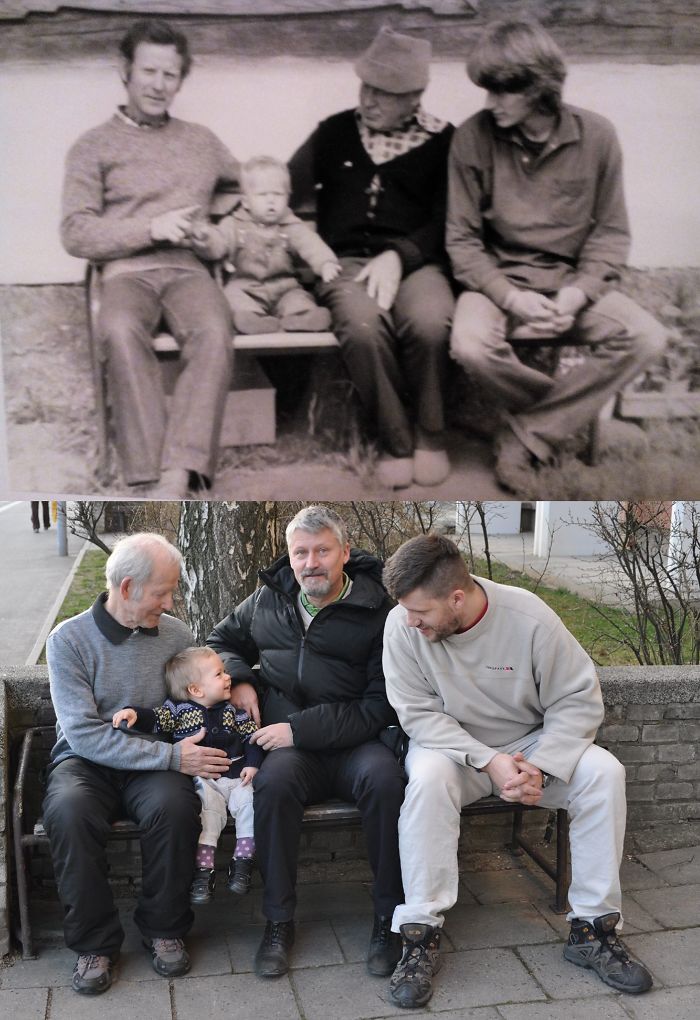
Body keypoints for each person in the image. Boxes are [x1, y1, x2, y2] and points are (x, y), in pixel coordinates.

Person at [380, 533, 653, 1008]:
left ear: (457, 598)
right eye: (406, 611)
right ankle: (419, 933)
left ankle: (593, 929)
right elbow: (417, 714)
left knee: (604, 774)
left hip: (530, 746)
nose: (411, 621)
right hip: (451, 747)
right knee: (425, 782)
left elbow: (576, 697)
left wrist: (542, 768)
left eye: (421, 613)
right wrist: (487, 759)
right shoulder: (401, 628)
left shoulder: (529, 617)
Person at [446, 19, 667, 493]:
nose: (490, 103)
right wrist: (510, 297)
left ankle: (523, 434)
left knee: (646, 336)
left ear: (539, 87)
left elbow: (610, 234)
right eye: (488, 91)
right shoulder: (471, 138)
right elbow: (461, 241)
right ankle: (564, 419)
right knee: (468, 343)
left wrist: (576, 295)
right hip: (496, 284)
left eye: (503, 91)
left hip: (568, 285)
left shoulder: (598, 137)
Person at [207, 504, 406, 979]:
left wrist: (298, 728)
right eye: (301, 552)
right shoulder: (267, 600)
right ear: (290, 557)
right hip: (291, 753)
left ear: (344, 553)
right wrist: (241, 679)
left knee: (386, 781)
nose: (311, 562)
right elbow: (220, 639)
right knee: (270, 788)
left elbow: (380, 704)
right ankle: (278, 921)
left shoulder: (380, 610)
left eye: (322, 551)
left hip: (357, 743)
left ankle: (389, 918)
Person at [43, 533, 232, 996]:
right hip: (86, 761)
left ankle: (164, 927)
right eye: (162, 592)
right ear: (126, 588)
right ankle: (95, 944)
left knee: (175, 808)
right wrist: (171, 756)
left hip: (152, 761)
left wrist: (240, 682)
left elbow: (203, 682)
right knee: (68, 812)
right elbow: (85, 733)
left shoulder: (175, 634)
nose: (170, 602)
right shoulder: (67, 641)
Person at [60, 19, 240, 498]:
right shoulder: (92, 146)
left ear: (182, 79)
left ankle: (179, 474)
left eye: (171, 75)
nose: (160, 85)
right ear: (126, 71)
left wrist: (217, 235)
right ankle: (148, 478)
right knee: (119, 328)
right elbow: (75, 232)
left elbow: (248, 191)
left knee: (215, 329)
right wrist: (149, 228)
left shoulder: (202, 140)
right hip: (125, 272)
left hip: (187, 268)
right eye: (150, 71)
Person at [289, 27, 455, 489]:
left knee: (429, 320)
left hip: (418, 262)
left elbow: (451, 221)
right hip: (344, 263)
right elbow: (284, 188)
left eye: (385, 92)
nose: (370, 100)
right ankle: (395, 440)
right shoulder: (334, 132)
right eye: (366, 86)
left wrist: (400, 255)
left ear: (415, 97)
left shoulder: (445, 142)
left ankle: (431, 436)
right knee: (362, 325)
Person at [112, 645, 264, 905]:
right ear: (196, 689)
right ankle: (204, 872)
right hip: (205, 781)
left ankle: (243, 863)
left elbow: (251, 737)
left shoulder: (232, 711)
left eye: (225, 672)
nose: (228, 677)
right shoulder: (179, 710)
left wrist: (253, 764)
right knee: (208, 813)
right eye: (219, 674)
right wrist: (134, 714)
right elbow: (156, 719)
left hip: (237, 776)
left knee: (249, 803)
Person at [191, 155, 341, 334]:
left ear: (287, 198)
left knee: (298, 298)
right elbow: (218, 245)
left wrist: (325, 263)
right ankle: (252, 321)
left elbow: (311, 245)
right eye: (262, 195)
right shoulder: (234, 224)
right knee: (233, 296)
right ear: (246, 201)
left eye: (278, 194)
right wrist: (206, 238)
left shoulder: (291, 226)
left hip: (285, 286)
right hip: (245, 286)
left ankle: (302, 318)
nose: (271, 201)